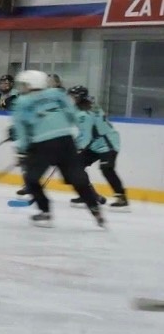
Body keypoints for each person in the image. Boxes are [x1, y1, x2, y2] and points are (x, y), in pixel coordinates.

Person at [10, 70, 104, 227]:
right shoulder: (57, 93)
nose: (21, 88)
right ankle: (95, 209)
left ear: (31, 84)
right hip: (65, 142)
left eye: (24, 84)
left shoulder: (22, 102)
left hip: (41, 145)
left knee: (31, 179)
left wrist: (21, 150)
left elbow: (22, 129)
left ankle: (45, 211)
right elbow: (71, 113)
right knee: (77, 179)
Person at [68, 85, 129, 209]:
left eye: (72, 97)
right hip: (95, 143)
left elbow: (85, 136)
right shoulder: (85, 107)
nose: (70, 99)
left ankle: (122, 198)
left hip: (108, 143)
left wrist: (73, 147)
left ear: (79, 98)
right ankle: (87, 194)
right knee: (76, 167)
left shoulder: (84, 113)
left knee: (107, 168)